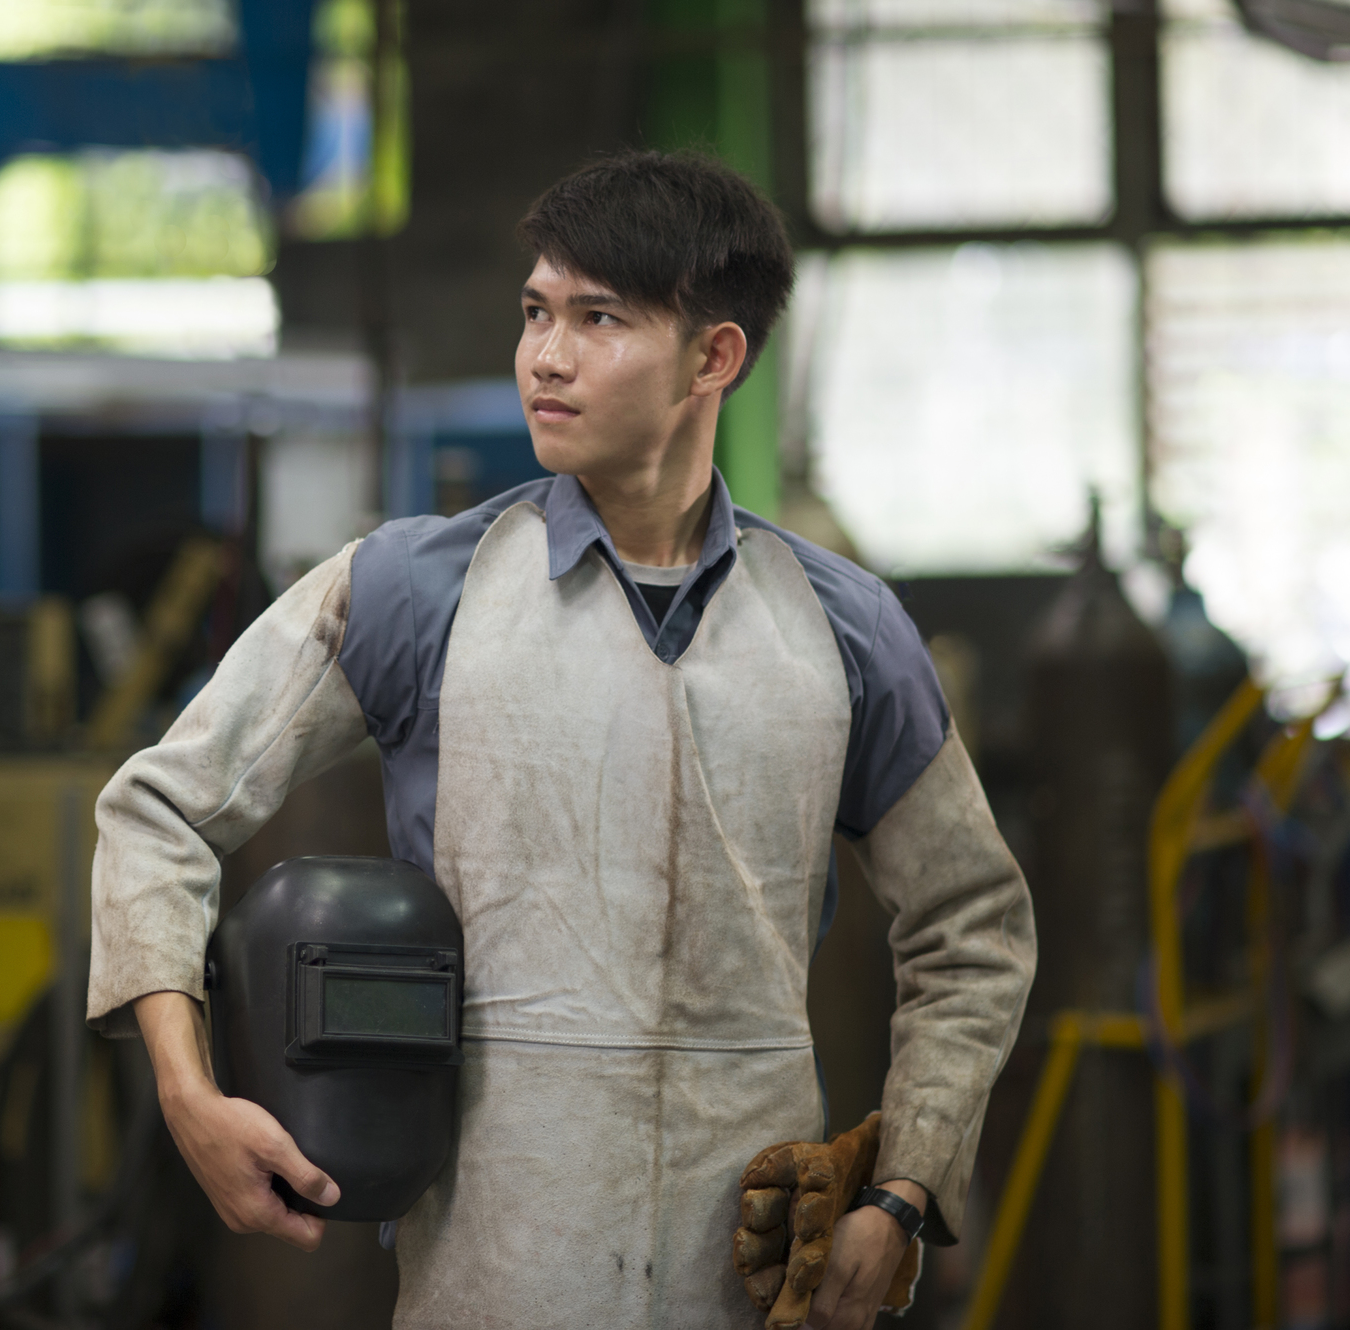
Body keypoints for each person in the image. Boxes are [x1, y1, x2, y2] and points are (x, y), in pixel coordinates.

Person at [85, 149, 1036, 1329]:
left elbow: (973, 925)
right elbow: (157, 809)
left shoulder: (842, 633)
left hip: (744, 1294)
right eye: (536, 311)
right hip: (494, 1281)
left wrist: (900, 1188)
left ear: (714, 356)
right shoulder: (412, 594)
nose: (545, 353)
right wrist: (187, 1093)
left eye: (599, 318)